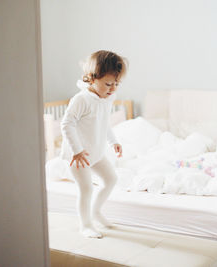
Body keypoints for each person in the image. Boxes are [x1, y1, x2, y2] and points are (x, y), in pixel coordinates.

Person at [60, 50, 128, 238]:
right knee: (86, 188)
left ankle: (96, 212)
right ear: (92, 79)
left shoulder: (106, 98)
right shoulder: (82, 99)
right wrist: (77, 150)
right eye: (108, 84)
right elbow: (67, 123)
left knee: (111, 179)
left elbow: (103, 122)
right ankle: (86, 225)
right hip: (78, 156)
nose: (113, 88)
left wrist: (113, 141)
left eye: (116, 84)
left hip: (95, 152)